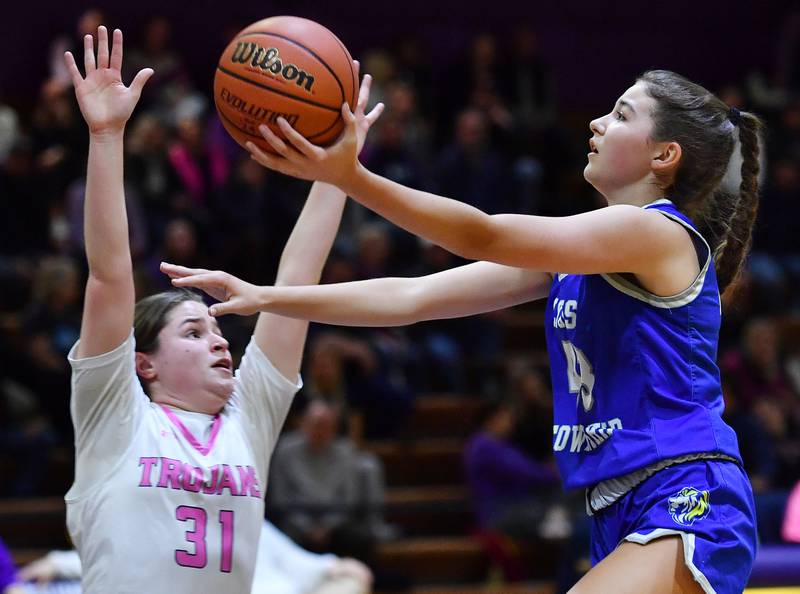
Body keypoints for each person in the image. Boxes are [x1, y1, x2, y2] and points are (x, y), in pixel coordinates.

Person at [164, 68, 764, 593]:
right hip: (616, 503)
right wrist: (265, 296)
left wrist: (353, 177)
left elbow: (484, 233)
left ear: (664, 156)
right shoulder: (585, 253)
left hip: (689, 491)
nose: (597, 122)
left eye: (622, 114)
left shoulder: (657, 233)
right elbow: (413, 297)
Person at [62, 26, 382, 593]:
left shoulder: (247, 417)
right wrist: (107, 135)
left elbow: (296, 283)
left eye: (215, 328)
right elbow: (109, 277)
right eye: (192, 331)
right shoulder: (115, 416)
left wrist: (339, 173)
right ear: (145, 364)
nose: (219, 340)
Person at [17, 520, 372, 594]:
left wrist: (341, 569)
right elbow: (128, 557)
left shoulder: (247, 519)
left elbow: (317, 566)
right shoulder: (162, 523)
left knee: (352, 579)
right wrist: (58, 561)